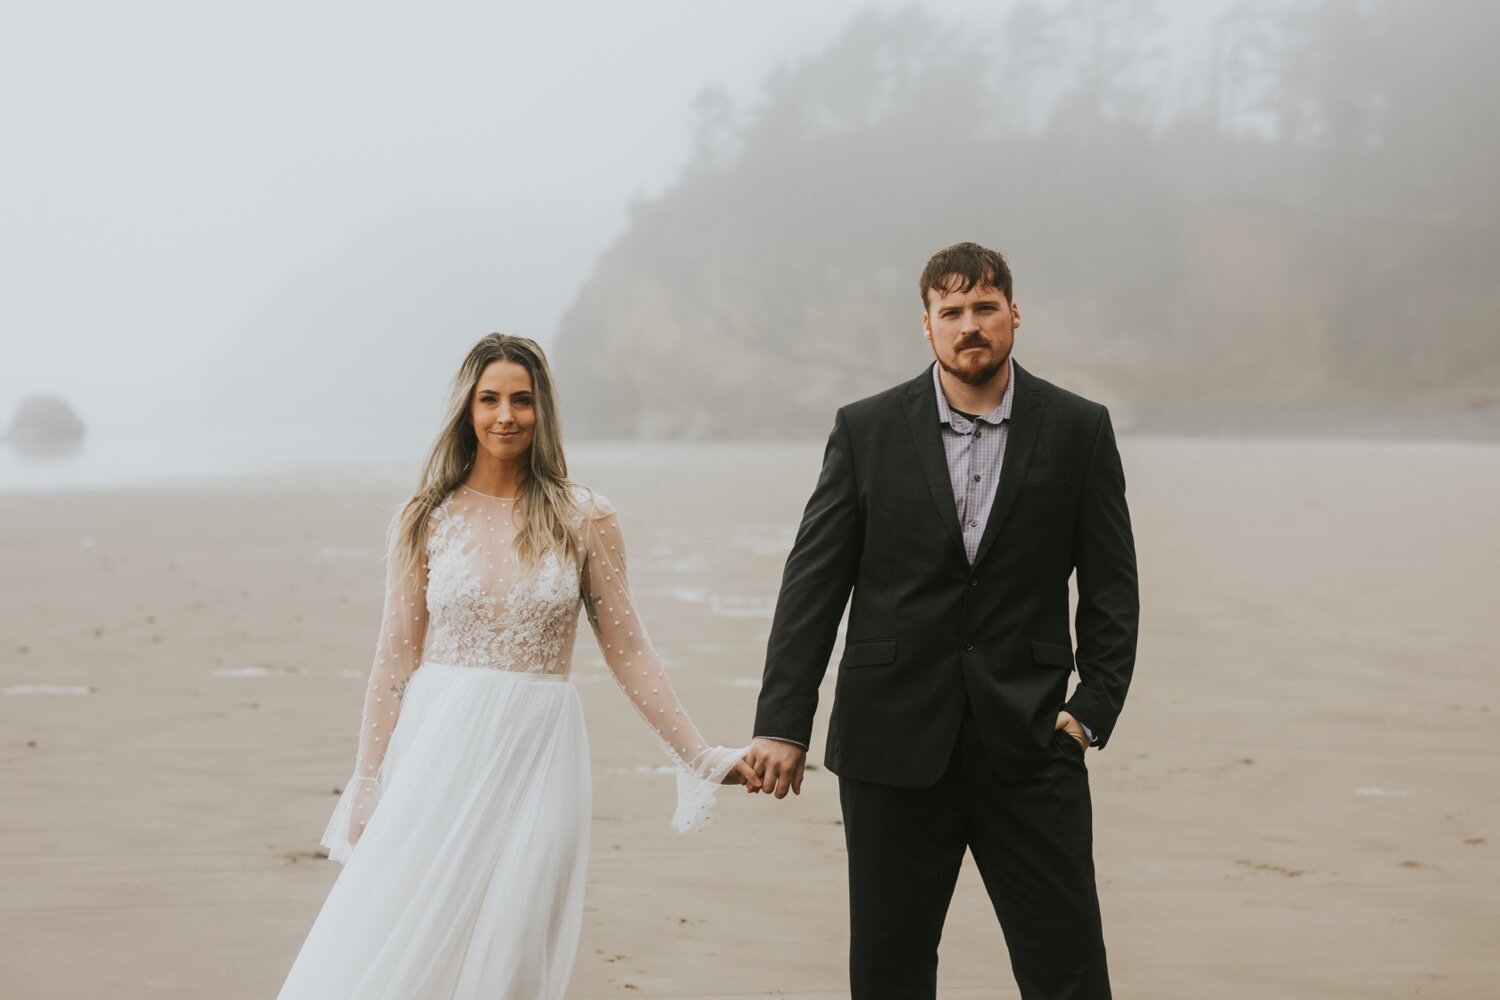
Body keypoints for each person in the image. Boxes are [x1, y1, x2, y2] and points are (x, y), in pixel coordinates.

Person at [278, 334, 759, 1000]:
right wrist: (366, 778)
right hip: (440, 747)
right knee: (407, 923)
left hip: (540, 749)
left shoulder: (583, 516)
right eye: (490, 399)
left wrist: (699, 755)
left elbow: (628, 648)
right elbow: (394, 657)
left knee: (513, 937)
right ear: (467, 410)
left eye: (522, 400)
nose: (506, 416)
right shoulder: (426, 518)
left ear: (544, 410)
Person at [746, 242, 1139, 999]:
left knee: (1068, 970)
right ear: (925, 325)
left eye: (985, 308)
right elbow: (812, 585)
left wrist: (1091, 711)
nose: (970, 326)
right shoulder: (865, 430)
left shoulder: (1077, 428)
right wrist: (784, 723)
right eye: (951, 312)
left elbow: (1113, 587)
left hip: (1029, 744)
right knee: (890, 973)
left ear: (1014, 317)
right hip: (890, 744)